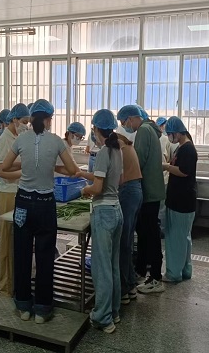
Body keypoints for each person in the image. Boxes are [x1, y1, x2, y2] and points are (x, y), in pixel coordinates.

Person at [0, 99, 79, 324]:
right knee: (45, 257)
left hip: (23, 202)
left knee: (22, 253)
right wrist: (51, 165)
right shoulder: (56, 141)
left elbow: (4, 168)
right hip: (45, 204)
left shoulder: (21, 139)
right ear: (49, 120)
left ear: (32, 118)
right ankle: (43, 309)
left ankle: (23, 305)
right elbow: (72, 170)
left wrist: (26, 165)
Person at [76, 109, 124, 333]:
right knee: (112, 265)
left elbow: (97, 188)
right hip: (116, 210)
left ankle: (103, 318)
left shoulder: (104, 152)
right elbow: (116, 180)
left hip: (103, 212)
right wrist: (82, 174)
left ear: (96, 129)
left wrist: (84, 190)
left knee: (101, 268)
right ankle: (113, 311)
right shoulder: (117, 150)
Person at [117, 105, 166, 294]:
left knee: (150, 234)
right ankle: (142, 270)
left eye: (124, 122)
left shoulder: (144, 131)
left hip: (148, 192)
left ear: (131, 118)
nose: (124, 126)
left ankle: (155, 277)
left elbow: (138, 160)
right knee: (146, 233)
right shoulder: (150, 129)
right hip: (151, 191)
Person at [0, 104, 30, 294]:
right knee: (7, 239)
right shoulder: (4, 139)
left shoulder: (19, 137)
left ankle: (17, 281)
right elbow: (3, 172)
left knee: (19, 239)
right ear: (14, 119)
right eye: (24, 122)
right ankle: (6, 284)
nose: (26, 125)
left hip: (20, 191)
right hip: (8, 192)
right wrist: (25, 172)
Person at [161, 117, 198, 283]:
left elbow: (183, 171)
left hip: (181, 202)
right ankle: (185, 270)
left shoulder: (188, 149)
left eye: (170, 134)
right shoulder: (181, 148)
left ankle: (174, 273)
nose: (169, 137)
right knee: (183, 238)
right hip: (180, 200)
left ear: (178, 132)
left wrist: (166, 167)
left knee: (176, 239)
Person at [116, 133, 142, 305]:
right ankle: (131, 285)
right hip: (136, 191)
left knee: (122, 243)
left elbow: (116, 177)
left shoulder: (117, 146)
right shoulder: (127, 145)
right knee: (127, 242)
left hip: (128, 192)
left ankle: (123, 290)